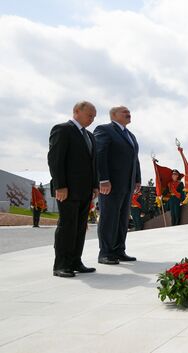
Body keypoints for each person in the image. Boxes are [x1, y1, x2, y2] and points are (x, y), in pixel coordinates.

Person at [47, 101, 99, 277]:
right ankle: (61, 265)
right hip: (67, 189)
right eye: (89, 115)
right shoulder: (62, 130)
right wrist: (60, 185)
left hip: (85, 190)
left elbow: (93, 164)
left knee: (80, 226)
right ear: (77, 111)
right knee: (67, 226)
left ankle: (76, 261)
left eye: (94, 116)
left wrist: (95, 185)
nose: (92, 119)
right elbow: (55, 160)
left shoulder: (90, 136)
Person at [94, 106, 141, 265]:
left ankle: (119, 250)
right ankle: (105, 253)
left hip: (127, 184)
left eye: (129, 111)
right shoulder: (104, 130)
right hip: (111, 184)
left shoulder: (130, 135)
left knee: (122, 219)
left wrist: (137, 179)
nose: (129, 114)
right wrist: (103, 179)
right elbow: (100, 155)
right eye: (124, 112)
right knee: (109, 217)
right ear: (114, 115)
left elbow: (135, 159)